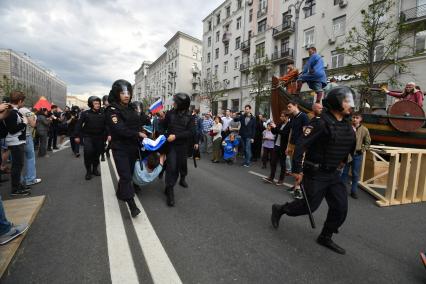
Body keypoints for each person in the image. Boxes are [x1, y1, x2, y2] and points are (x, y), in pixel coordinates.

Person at [271, 86, 356, 255]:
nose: (350, 105)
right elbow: (301, 145)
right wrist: (297, 170)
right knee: (307, 207)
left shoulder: (346, 124)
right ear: (336, 103)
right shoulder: (320, 123)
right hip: (316, 173)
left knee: (340, 207)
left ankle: (325, 236)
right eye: (347, 101)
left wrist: (343, 161)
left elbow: (348, 145)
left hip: (333, 174)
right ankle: (280, 209)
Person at [106, 79, 148, 217]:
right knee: (125, 176)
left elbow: (139, 121)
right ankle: (132, 206)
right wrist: (137, 133)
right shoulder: (112, 109)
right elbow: (119, 129)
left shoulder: (131, 108)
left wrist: (148, 120)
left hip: (132, 147)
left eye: (128, 92)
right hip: (120, 148)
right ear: (117, 94)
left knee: (128, 175)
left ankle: (120, 192)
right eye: (123, 93)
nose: (126, 95)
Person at [161, 93, 195, 207]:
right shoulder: (170, 113)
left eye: (175, 102)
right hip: (171, 146)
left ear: (181, 104)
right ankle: (170, 191)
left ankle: (171, 184)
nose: (173, 103)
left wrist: (176, 136)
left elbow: (190, 132)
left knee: (181, 165)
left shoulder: (190, 116)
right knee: (172, 167)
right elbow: (163, 126)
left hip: (182, 146)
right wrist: (163, 135)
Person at [75, 96, 108, 180]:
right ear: (91, 104)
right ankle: (88, 171)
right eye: (95, 103)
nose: (98, 105)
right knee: (88, 153)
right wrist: (76, 135)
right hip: (88, 137)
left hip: (99, 137)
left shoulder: (103, 113)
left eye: (98, 103)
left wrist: (109, 134)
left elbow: (107, 125)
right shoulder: (85, 113)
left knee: (97, 155)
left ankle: (95, 169)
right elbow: (79, 125)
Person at [4, 91, 30, 195]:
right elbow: (12, 129)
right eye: (23, 101)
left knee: (18, 165)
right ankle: (15, 189)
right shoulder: (12, 112)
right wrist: (24, 123)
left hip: (17, 141)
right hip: (15, 142)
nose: (23, 104)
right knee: (17, 166)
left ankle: (18, 186)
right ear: (20, 101)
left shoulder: (13, 111)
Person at [341, 112, 371, 199]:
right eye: (353, 117)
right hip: (347, 154)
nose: (354, 119)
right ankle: (342, 190)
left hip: (357, 155)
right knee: (344, 172)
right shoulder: (348, 128)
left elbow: (367, 142)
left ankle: (354, 191)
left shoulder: (364, 130)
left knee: (355, 173)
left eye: (357, 118)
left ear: (360, 119)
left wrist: (362, 150)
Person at [286, 101, 309, 199]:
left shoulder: (303, 116)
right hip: (292, 144)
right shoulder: (292, 117)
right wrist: (288, 146)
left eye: (290, 106)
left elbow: (305, 133)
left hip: (300, 145)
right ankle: (296, 185)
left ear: (296, 105)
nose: (288, 108)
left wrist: (303, 146)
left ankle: (298, 189)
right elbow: (291, 132)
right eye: (288, 107)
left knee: (299, 166)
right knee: (294, 166)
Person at [263, 111, 291, 185]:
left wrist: (276, 128)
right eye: (281, 116)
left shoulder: (289, 125)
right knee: (273, 162)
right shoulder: (281, 123)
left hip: (283, 146)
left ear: (286, 117)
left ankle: (281, 180)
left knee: (282, 164)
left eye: (282, 116)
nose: (280, 117)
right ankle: (271, 178)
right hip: (276, 145)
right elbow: (275, 132)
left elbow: (284, 134)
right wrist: (272, 127)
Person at [19, 106, 41, 186]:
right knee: (30, 158)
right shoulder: (24, 110)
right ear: (21, 101)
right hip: (26, 135)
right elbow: (33, 124)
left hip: (13, 137)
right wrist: (34, 118)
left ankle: (19, 181)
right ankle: (30, 179)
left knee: (17, 161)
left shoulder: (10, 110)